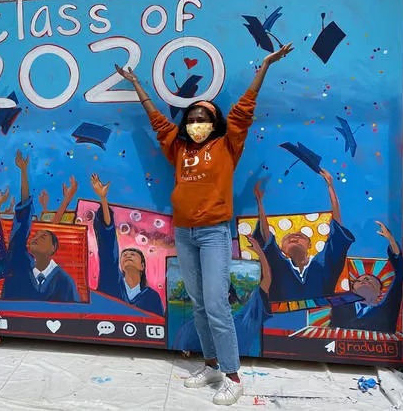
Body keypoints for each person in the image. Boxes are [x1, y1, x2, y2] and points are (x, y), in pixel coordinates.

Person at [116, 42, 292, 406]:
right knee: (198, 303)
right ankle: (210, 364)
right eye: (192, 119)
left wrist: (265, 66)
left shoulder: (228, 146)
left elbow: (244, 110)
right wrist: (136, 84)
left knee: (216, 303)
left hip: (213, 234)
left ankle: (232, 375)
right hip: (184, 233)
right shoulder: (178, 148)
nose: (197, 124)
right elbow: (158, 122)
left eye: (204, 119)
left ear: (215, 124)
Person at [253, 175, 355, 302]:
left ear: (310, 245)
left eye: (300, 237)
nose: (294, 238)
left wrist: (330, 186)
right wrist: (259, 201)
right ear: (282, 249)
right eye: (288, 238)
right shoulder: (278, 265)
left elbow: (337, 231)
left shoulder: (323, 263)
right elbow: (266, 237)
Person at [0, 150, 81, 302]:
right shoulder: (20, 266)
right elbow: (22, 221)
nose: (35, 238)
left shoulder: (65, 282)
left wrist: (67, 199)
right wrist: (23, 171)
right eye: (35, 236)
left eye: (43, 237)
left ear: (53, 248)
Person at [89, 173, 164, 316]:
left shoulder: (151, 297)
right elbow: (108, 248)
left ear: (142, 265)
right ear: (121, 264)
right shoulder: (111, 281)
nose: (127, 256)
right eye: (124, 255)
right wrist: (103, 199)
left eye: (133, 254)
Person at [329, 221, 402, 333]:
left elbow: (400, 271)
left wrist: (391, 239)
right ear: (352, 290)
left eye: (369, 280)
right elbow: (334, 265)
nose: (364, 280)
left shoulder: (387, 309)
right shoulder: (340, 307)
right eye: (359, 280)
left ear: (379, 292)